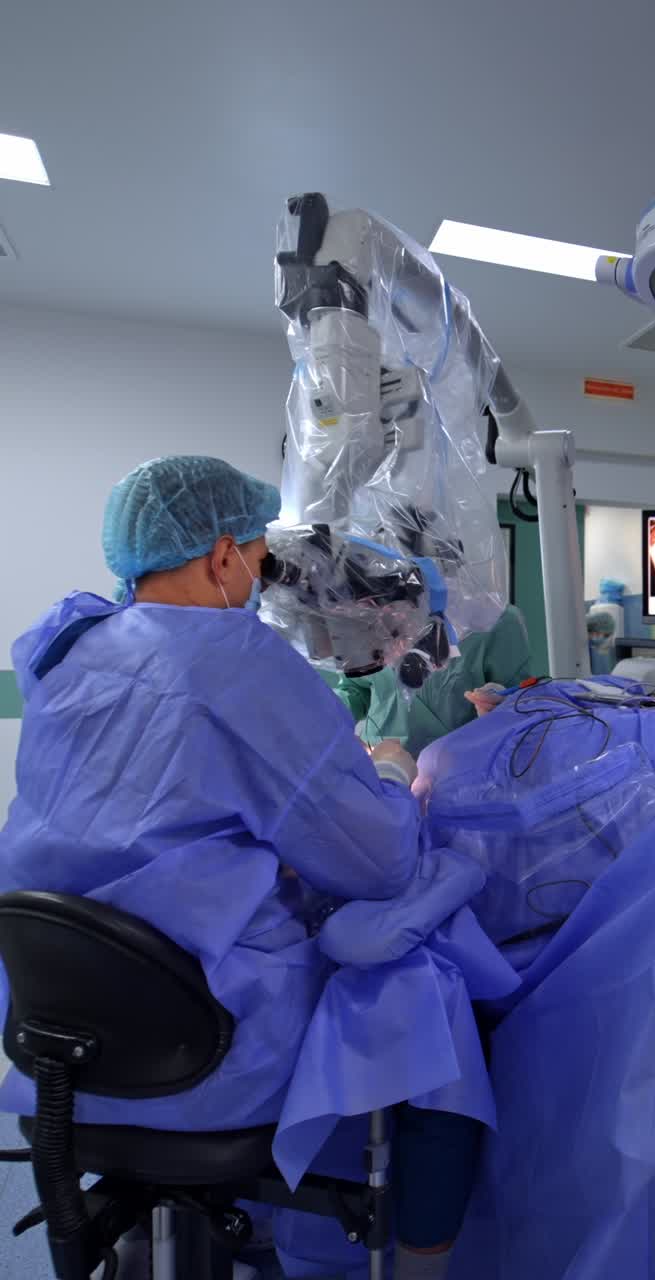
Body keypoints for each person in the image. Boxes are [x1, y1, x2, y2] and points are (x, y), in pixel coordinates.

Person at [0, 456, 471, 1278]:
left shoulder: (70, 646)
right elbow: (378, 860)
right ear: (222, 556)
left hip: (58, 1047)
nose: (262, 579)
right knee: (431, 1011)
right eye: (257, 557)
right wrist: (391, 772)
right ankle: (417, 1251)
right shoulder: (237, 664)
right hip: (209, 1049)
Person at [335, 604, 532, 753]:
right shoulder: (375, 617)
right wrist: (325, 711)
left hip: (455, 780)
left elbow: (522, 718)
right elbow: (355, 689)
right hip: (381, 773)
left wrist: (500, 709)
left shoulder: (495, 620)